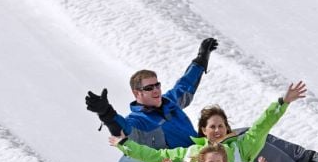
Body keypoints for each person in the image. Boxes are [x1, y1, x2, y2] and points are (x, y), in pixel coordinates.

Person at [108, 82, 318, 162]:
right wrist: (124, 144)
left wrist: (282, 102)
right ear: (204, 131)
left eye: (221, 126)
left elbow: (262, 125)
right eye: (212, 127)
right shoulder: (192, 151)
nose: (217, 130)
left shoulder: (241, 146)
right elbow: (154, 156)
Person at [85, 38, 219, 149]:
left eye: (157, 85)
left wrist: (201, 59)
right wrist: (106, 113)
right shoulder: (138, 120)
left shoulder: (170, 102)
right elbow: (123, 129)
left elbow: (185, 84)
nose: (155, 90)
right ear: (137, 93)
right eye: (149, 88)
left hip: (198, 155)